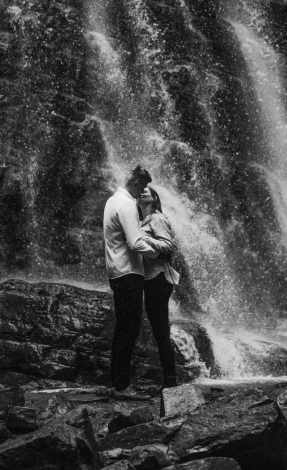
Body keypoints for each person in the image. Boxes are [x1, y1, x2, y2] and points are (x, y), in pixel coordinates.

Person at [103, 165, 171, 399]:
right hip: (129, 273)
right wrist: (157, 254)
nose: (143, 191)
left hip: (116, 272)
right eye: (142, 186)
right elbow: (135, 244)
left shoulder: (112, 201)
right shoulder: (127, 204)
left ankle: (117, 383)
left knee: (122, 329)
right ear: (135, 183)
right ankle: (122, 386)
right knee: (129, 331)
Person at [138, 186, 179, 389]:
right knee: (158, 330)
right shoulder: (140, 220)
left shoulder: (157, 218)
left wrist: (142, 238)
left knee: (161, 331)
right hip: (149, 279)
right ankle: (168, 379)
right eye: (139, 190)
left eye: (146, 190)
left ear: (154, 197)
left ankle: (170, 382)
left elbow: (168, 245)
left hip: (159, 278)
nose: (141, 191)